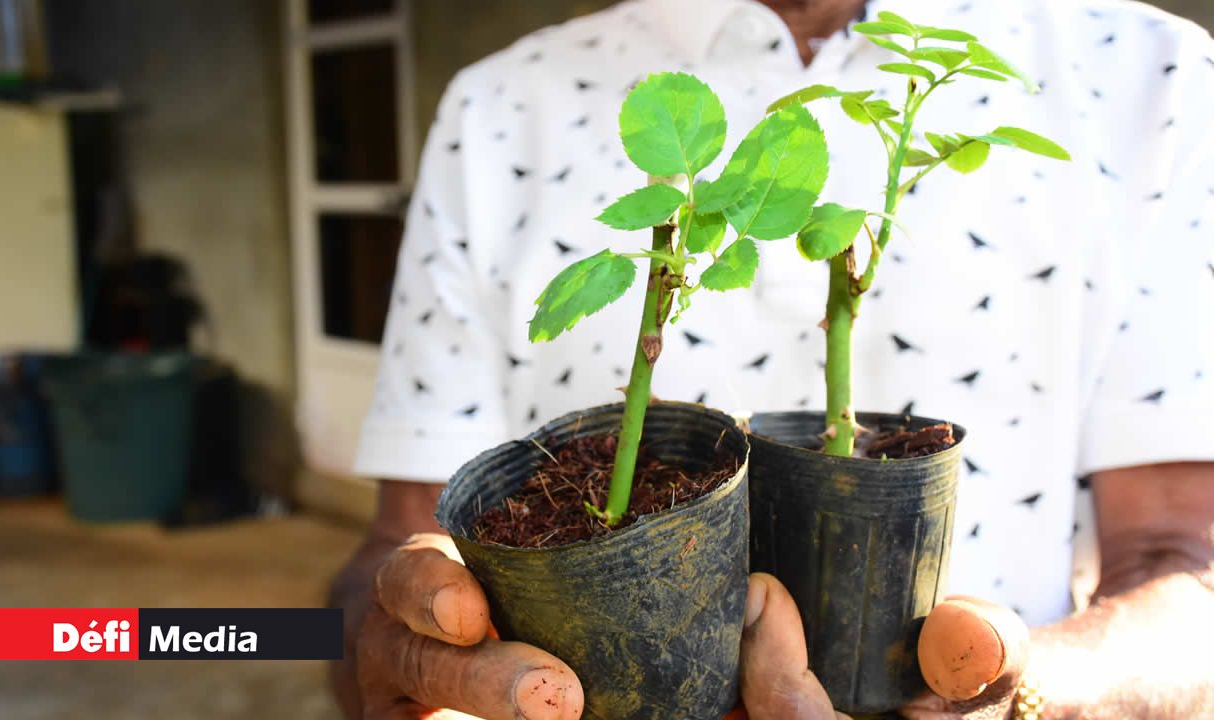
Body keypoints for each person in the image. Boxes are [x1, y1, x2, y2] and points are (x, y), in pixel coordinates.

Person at [330, 0, 1214, 717]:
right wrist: (390, 655)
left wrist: (1027, 699)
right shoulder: (495, 108)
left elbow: (1185, 568)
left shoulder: (1146, 74)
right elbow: (385, 558)